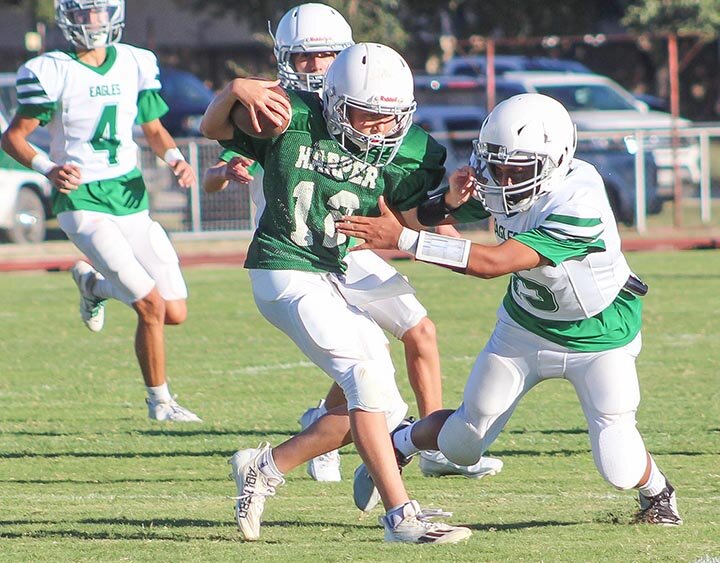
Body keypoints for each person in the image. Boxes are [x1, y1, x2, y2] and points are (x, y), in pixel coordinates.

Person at [336, 93, 682, 526]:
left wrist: (402, 240)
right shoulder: (510, 177)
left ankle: (658, 493)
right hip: (524, 329)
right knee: (463, 443)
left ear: (555, 161)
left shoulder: (578, 204)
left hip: (599, 335)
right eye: (495, 165)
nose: (502, 178)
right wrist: (447, 205)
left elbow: (492, 263)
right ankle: (400, 442)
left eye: (514, 169)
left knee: (619, 462)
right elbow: (424, 218)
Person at [202, 2, 502, 489]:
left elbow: (407, 213)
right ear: (284, 58)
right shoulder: (277, 108)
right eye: (304, 58)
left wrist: (449, 227)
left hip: (351, 249)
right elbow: (215, 139)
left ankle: (432, 445)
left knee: (417, 333)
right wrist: (233, 107)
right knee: (366, 369)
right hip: (295, 249)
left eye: (326, 56)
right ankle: (340, 438)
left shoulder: (385, 118)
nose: (316, 68)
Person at [1, 0, 200, 423]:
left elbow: (154, 130)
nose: (91, 21)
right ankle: (160, 403)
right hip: (82, 200)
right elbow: (14, 137)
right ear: (67, 19)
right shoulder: (50, 70)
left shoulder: (135, 62)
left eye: (98, 12)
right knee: (149, 305)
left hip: (129, 198)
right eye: (83, 13)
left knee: (174, 311)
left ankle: (93, 286)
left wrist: (176, 159)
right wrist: (48, 168)